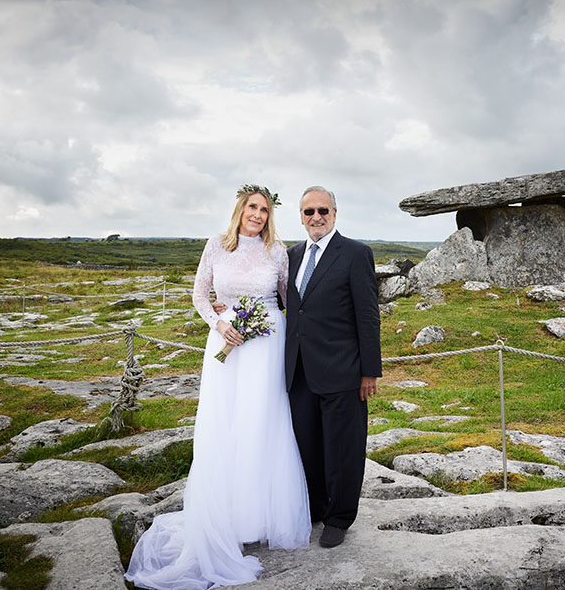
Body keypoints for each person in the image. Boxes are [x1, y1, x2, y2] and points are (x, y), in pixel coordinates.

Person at [126, 185, 311, 590]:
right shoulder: (216, 245)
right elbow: (198, 295)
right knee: (223, 423)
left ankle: (257, 517)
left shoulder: (276, 250)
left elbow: (287, 299)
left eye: (264, 210)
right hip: (225, 341)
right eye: (252, 207)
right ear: (240, 209)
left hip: (266, 343)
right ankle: (225, 515)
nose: (258, 215)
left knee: (261, 422)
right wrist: (219, 323)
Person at [285, 185, 382, 549]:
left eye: (323, 210)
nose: (316, 218)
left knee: (343, 447)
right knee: (306, 444)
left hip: (344, 370)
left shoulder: (355, 253)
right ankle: (315, 507)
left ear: (335, 214)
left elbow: (368, 316)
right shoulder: (292, 255)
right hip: (299, 371)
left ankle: (339, 518)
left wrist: (369, 371)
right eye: (309, 212)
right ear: (301, 217)